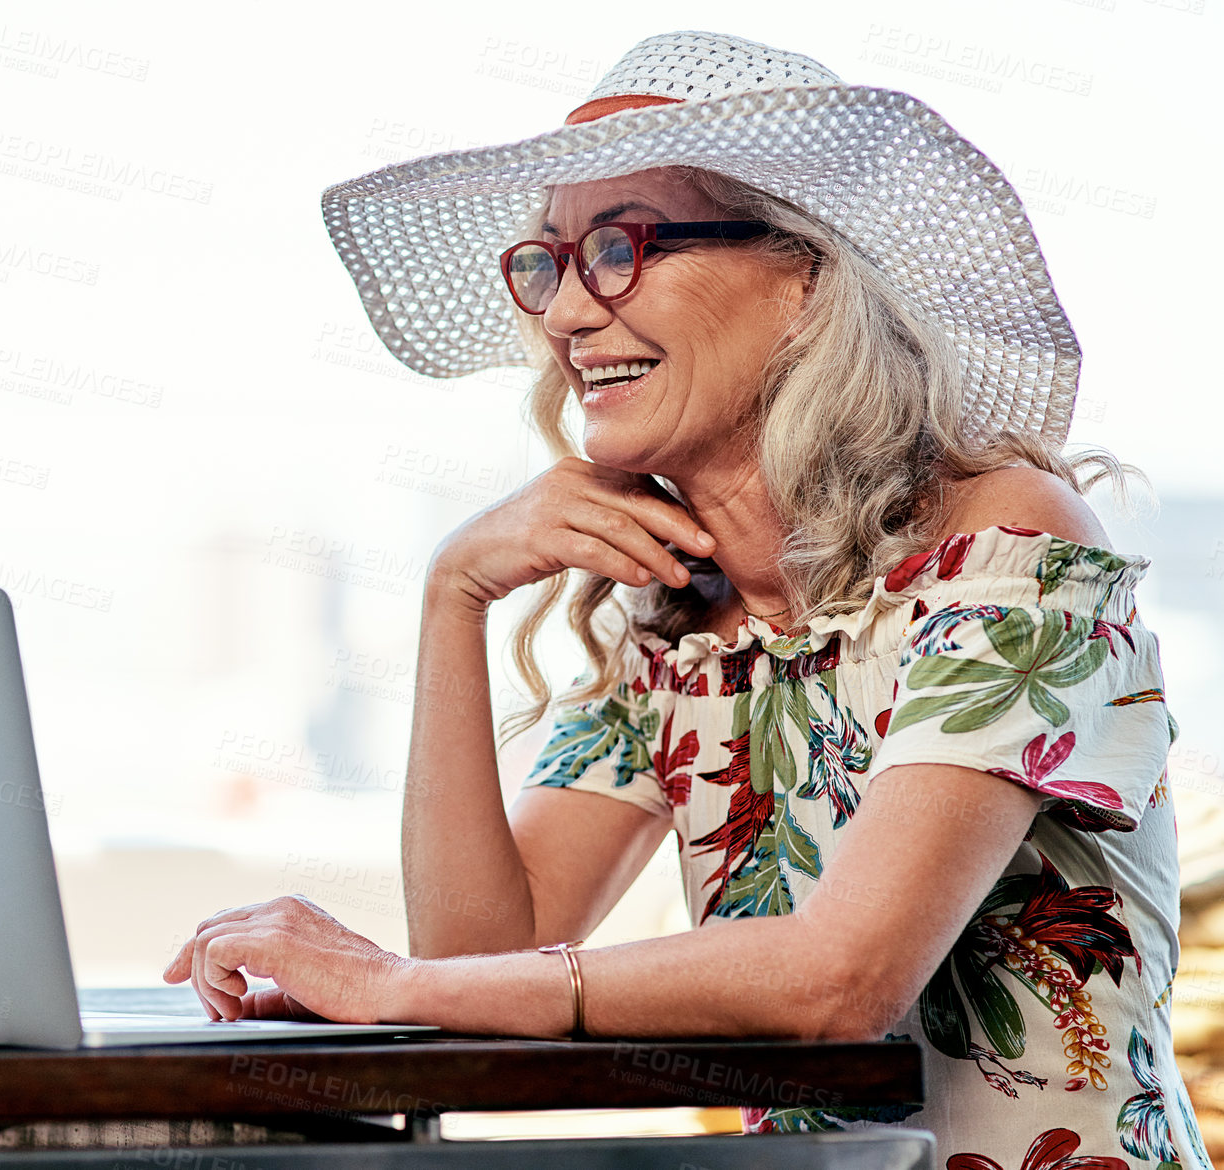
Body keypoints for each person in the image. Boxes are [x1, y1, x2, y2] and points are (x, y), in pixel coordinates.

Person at [163, 29, 1210, 1166]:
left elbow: (842, 979)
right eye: (547, 262)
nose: (565, 314)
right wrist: (451, 596)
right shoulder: (671, 617)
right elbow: (478, 948)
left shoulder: (1008, 544)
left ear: (806, 277)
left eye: (621, 246)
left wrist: (395, 983)